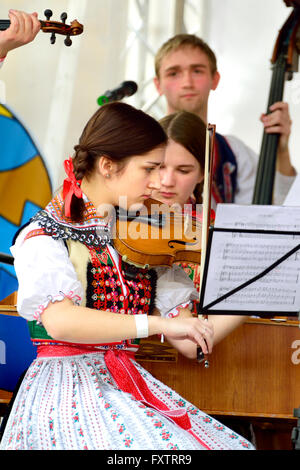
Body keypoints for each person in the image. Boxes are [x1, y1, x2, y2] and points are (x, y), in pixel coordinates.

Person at [0, 102, 254, 450]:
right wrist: (156, 324)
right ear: (107, 166)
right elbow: (60, 320)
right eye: (150, 169)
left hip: (122, 385)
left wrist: (251, 288)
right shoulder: (44, 236)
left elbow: (190, 343)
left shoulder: (142, 239)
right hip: (66, 393)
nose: (159, 182)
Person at [154, 34, 297, 208]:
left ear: (215, 80)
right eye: (174, 73)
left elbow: (275, 211)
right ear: (157, 85)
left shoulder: (234, 152)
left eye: (197, 71)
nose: (187, 82)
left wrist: (281, 152)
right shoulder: (140, 148)